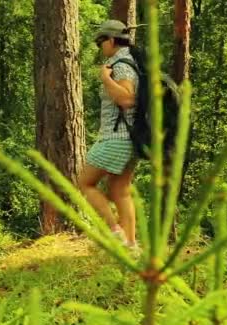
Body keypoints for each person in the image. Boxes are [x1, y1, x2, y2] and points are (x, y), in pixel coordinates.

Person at [78, 20, 139, 249]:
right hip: (129, 139)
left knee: (85, 182)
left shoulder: (121, 65)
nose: (98, 46)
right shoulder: (130, 61)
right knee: (120, 190)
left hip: (117, 138)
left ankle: (114, 230)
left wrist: (105, 78)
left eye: (99, 41)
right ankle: (130, 245)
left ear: (111, 40)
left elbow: (126, 99)